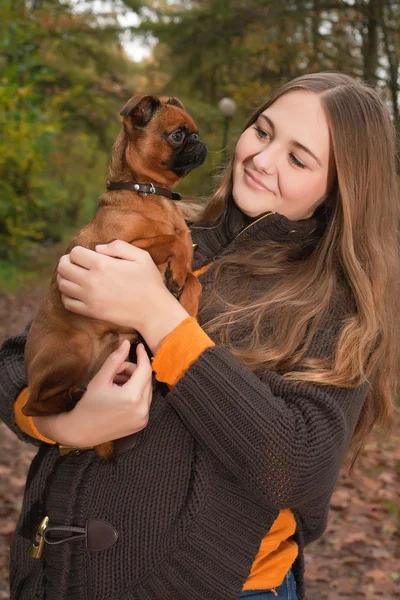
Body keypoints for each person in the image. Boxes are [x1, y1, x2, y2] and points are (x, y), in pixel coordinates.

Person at [1, 72, 399, 600]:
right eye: (262, 132)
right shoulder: (159, 227)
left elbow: (299, 469)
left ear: (340, 190)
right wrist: (66, 423)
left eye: (299, 159)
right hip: (55, 576)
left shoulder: (335, 304)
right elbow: (14, 362)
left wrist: (161, 318)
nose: (262, 159)